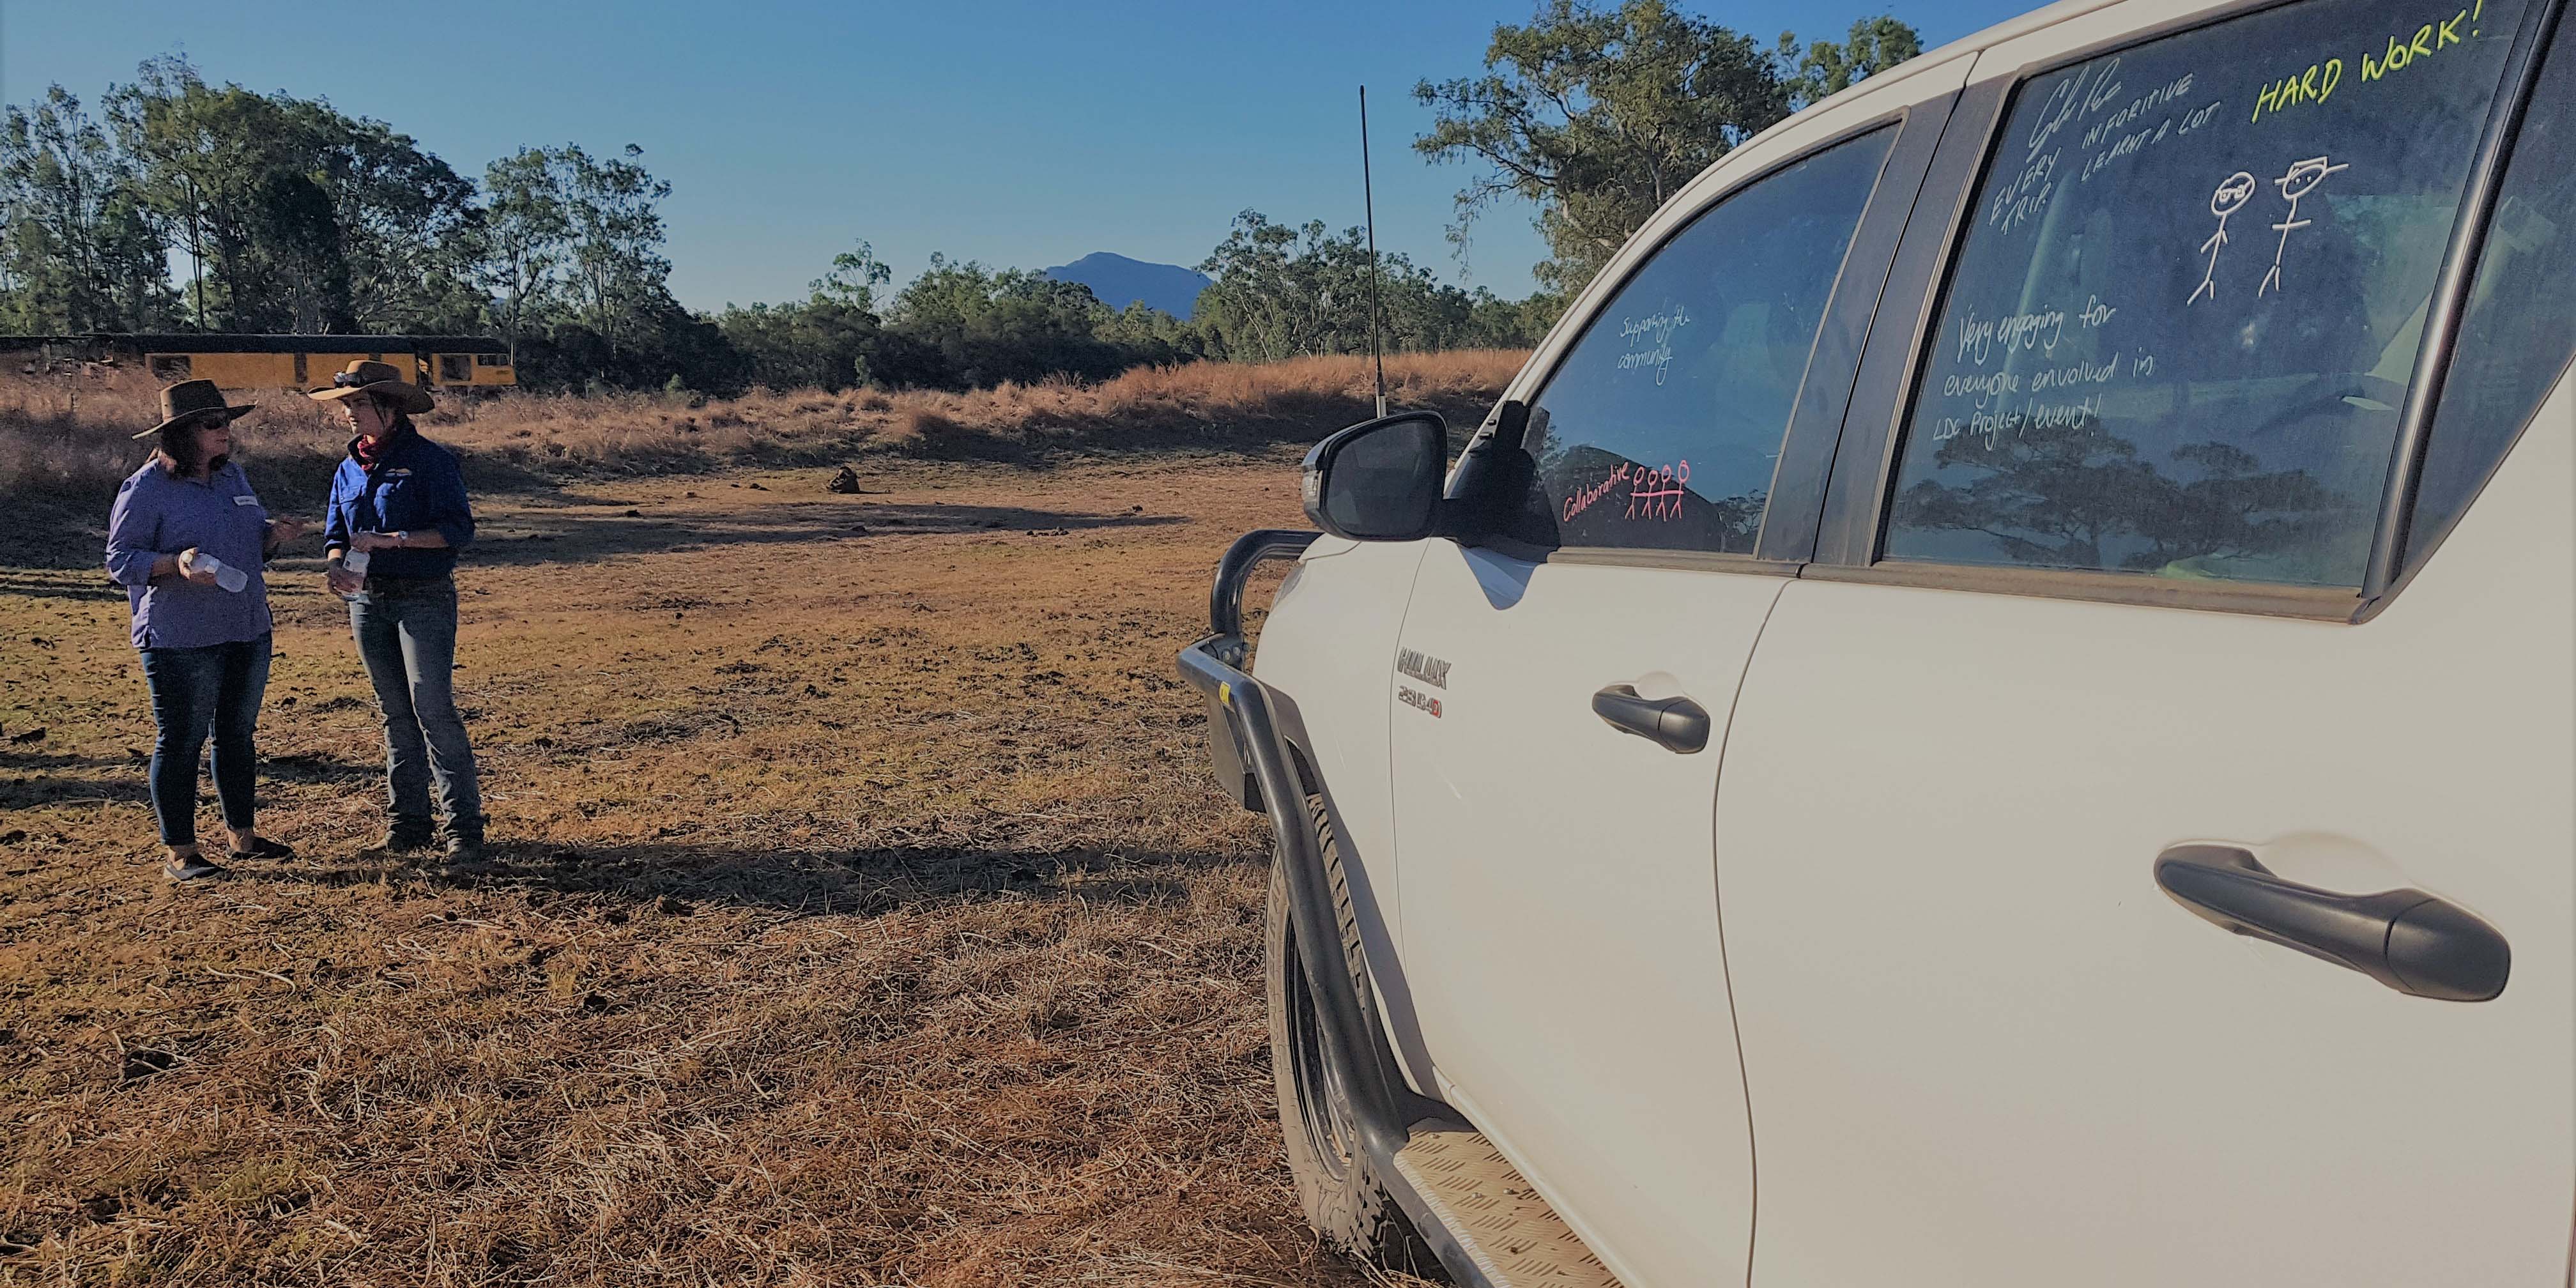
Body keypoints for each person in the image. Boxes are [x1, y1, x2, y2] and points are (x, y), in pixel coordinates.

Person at [103, 380, 308, 882]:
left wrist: (274, 537)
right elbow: (119, 561)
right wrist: (176, 563)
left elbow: (251, 548)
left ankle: (243, 836)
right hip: (181, 637)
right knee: (182, 739)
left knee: (236, 735)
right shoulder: (146, 487)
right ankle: (181, 851)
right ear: (182, 433)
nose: (225, 433)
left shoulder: (233, 477)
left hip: (246, 627)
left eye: (227, 423)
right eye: (213, 425)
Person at [312, 360, 487, 871]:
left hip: (423, 598)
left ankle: (464, 833)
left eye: (359, 404)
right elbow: (334, 536)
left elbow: (457, 531)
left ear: (390, 408)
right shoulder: (347, 468)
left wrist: (395, 541)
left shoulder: (431, 461)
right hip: (367, 603)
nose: (349, 414)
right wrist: (335, 567)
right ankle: (407, 827)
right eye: (346, 405)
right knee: (395, 713)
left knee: (431, 706)